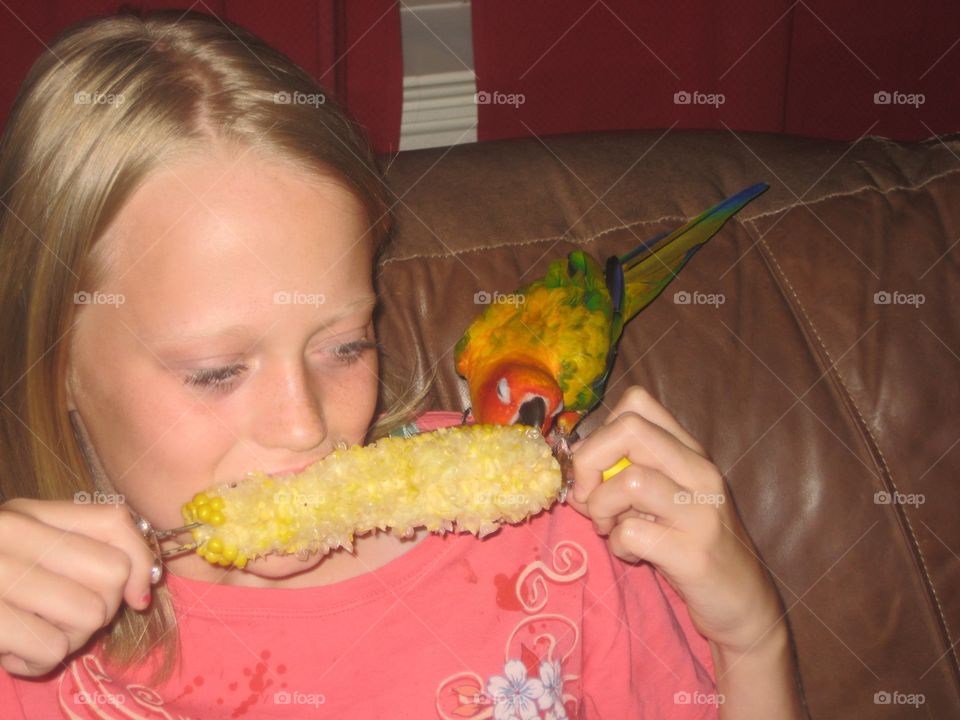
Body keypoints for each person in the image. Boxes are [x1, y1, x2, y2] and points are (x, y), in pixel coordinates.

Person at [0, 9, 805, 718]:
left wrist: (752, 641)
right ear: (54, 364)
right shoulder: (24, 647)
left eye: (345, 346)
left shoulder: (547, 533)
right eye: (216, 371)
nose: (305, 425)